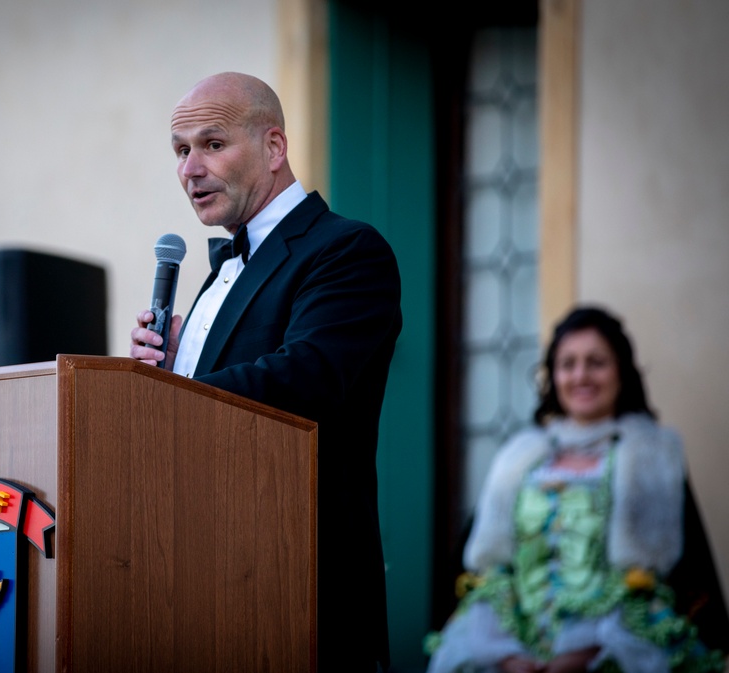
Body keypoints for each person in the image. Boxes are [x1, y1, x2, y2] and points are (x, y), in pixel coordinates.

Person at [129, 71, 402, 670]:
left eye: (212, 144)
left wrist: (162, 397)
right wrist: (160, 377)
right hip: (200, 588)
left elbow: (307, 377)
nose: (189, 169)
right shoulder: (219, 273)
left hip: (300, 589)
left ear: (274, 148)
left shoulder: (346, 250)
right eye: (180, 151)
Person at [424, 306, 726, 673]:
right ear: (553, 376)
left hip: (619, 650)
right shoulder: (519, 460)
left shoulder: (652, 456)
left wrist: (593, 654)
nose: (581, 375)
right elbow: (490, 571)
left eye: (596, 362)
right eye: (568, 364)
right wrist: (504, 656)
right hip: (514, 652)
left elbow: (681, 578)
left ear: (622, 372)